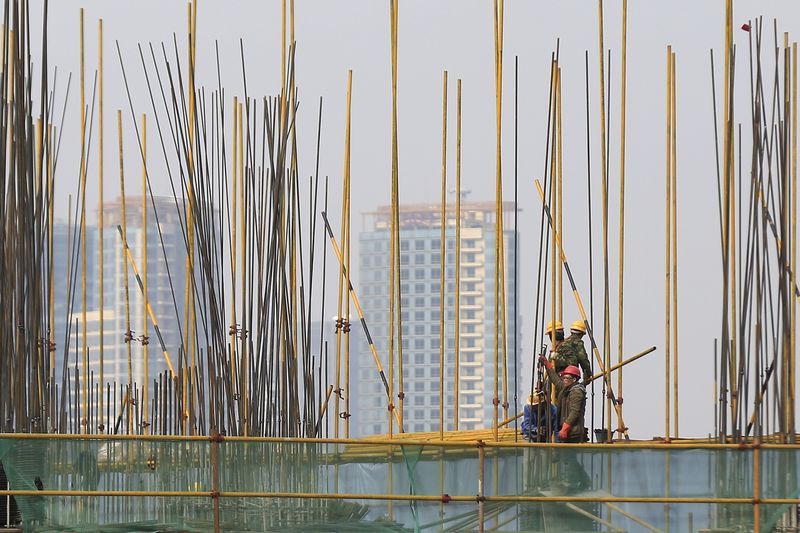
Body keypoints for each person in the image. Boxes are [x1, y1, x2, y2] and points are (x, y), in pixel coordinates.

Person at [538, 356, 587, 443]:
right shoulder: (566, 388)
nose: (564, 380)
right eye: (563, 378)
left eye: (567, 378)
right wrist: (547, 365)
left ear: (574, 379)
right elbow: (556, 380)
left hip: (573, 433)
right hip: (565, 430)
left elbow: (575, 412)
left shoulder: (577, 392)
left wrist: (565, 428)